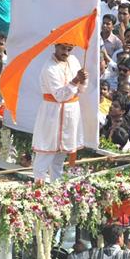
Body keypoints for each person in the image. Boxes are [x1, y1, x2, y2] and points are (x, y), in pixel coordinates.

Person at [31, 43, 88, 182]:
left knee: (60, 157)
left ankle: (56, 190)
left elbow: (81, 90)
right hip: (52, 114)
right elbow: (60, 96)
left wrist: (83, 80)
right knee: (45, 154)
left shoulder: (74, 61)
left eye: (69, 49)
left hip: (70, 115)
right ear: (55, 46)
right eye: (63, 48)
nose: (66, 53)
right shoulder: (49, 67)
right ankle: (37, 191)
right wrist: (76, 80)